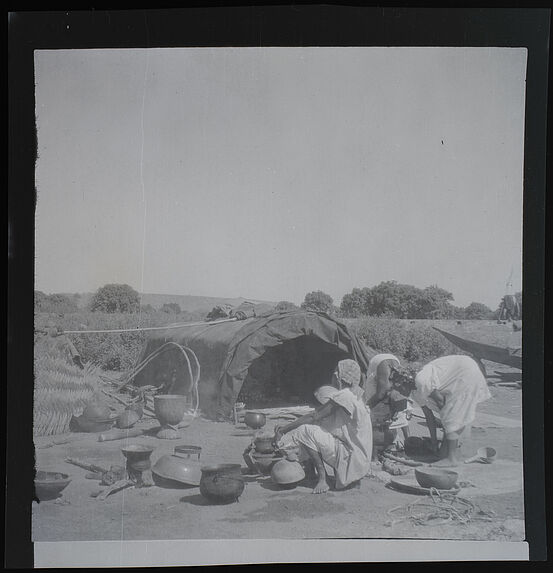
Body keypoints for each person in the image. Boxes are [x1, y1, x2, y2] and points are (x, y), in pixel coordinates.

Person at [274, 359, 372, 494]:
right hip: (359, 458)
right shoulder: (357, 395)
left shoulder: (345, 395)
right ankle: (311, 473)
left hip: (351, 457)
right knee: (313, 428)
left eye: (333, 373)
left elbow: (314, 416)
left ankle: (322, 478)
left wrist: (283, 430)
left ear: (338, 377)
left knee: (305, 430)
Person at [395, 355, 492, 467]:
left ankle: (452, 459)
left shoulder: (421, 381)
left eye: (400, 389)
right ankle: (446, 454)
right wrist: (434, 442)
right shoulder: (414, 391)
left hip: (465, 373)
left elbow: (441, 403)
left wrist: (447, 423)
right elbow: (428, 416)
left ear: (406, 382)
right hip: (459, 374)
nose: (401, 392)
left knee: (452, 416)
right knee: (448, 421)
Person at [363, 353, 412, 450]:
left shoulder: (380, 367)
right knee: (394, 399)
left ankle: (375, 450)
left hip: (382, 361)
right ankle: (409, 442)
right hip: (391, 359)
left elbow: (381, 392)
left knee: (386, 401)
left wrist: (366, 406)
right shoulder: (381, 369)